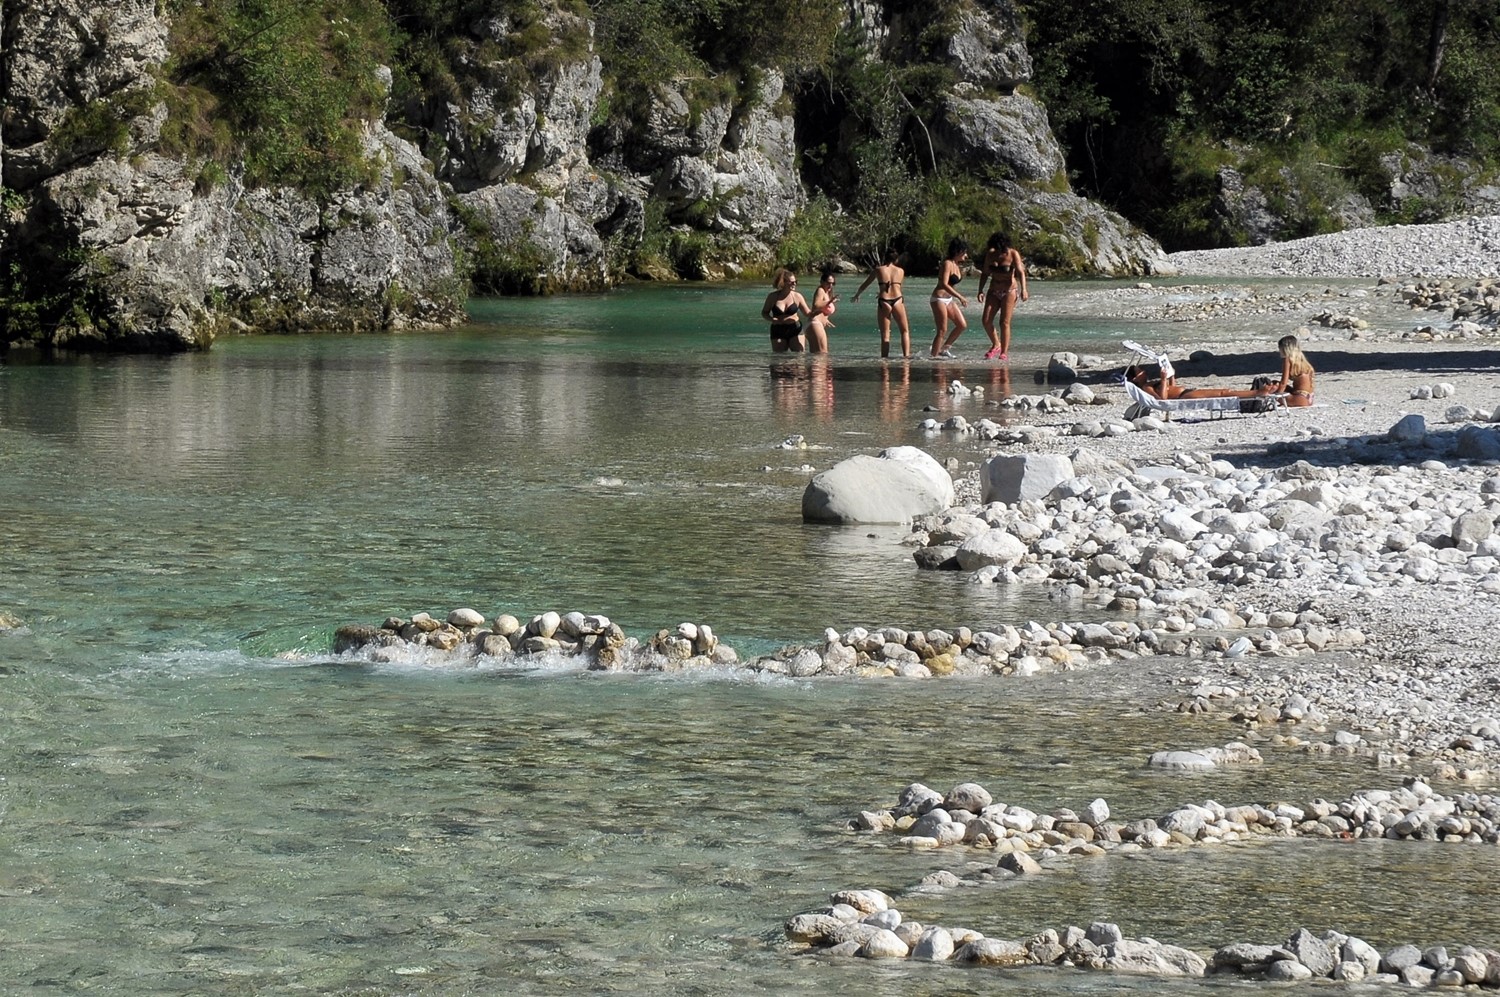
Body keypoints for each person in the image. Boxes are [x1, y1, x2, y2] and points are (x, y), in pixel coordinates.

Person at [1126, 335, 1315, 406]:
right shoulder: (1146, 388)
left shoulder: (1149, 384)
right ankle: (1258, 393)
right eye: (1139, 371)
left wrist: (1170, 375)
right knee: (1226, 392)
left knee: (1226, 391)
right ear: (1136, 379)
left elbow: (1169, 389)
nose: (1142, 370)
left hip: (1186, 392)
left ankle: (1259, 392)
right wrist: (1164, 379)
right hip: (1185, 396)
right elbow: (1163, 399)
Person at [974, 231, 1028, 361]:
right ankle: (996, 343)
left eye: (1000, 248)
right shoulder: (991, 254)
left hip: (1009, 290)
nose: (998, 251)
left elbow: (1020, 272)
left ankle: (1004, 351)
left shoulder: (1012, 254)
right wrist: (980, 290)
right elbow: (985, 273)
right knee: (986, 320)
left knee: (1004, 322)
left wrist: (1024, 289)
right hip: (994, 289)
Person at [851, 247, 911, 359]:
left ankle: (884, 360)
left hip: (884, 301)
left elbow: (865, 284)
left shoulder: (878, 270)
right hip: (898, 299)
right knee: (904, 331)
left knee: (885, 335)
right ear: (896, 259)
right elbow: (896, 286)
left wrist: (857, 295)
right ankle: (906, 358)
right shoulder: (900, 271)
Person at [928, 238, 970, 358]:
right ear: (958, 251)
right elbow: (944, 284)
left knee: (962, 325)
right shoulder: (947, 263)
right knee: (942, 330)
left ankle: (944, 349)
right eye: (964, 252)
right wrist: (960, 296)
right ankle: (933, 357)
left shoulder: (956, 265)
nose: (966, 256)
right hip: (938, 299)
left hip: (948, 300)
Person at [761, 268, 811, 352]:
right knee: (778, 360)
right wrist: (771, 319)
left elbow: (808, 313)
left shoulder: (797, 296)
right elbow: (764, 313)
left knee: (799, 358)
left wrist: (820, 310)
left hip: (795, 328)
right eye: (791, 282)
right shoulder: (772, 297)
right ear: (783, 283)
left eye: (796, 282)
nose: (794, 284)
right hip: (777, 329)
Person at [806, 268, 839, 354]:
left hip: (815, 324)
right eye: (828, 283)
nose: (830, 286)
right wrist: (830, 301)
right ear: (822, 282)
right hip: (815, 324)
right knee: (823, 354)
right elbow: (816, 305)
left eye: (832, 283)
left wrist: (825, 319)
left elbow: (821, 310)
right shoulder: (820, 290)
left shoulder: (826, 293)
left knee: (816, 355)